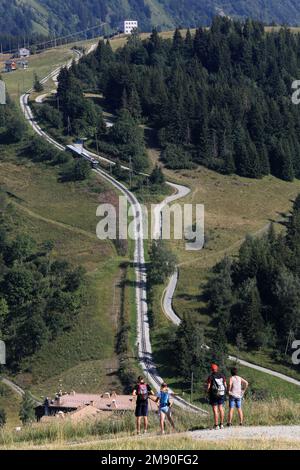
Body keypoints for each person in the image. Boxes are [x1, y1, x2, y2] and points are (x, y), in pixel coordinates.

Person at [206, 363, 227, 430]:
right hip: (221, 393)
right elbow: (225, 385)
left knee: (215, 409)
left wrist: (207, 392)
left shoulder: (210, 377)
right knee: (221, 408)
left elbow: (208, 387)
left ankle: (216, 425)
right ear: (217, 369)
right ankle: (222, 424)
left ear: (211, 370)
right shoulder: (222, 375)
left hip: (214, 395)